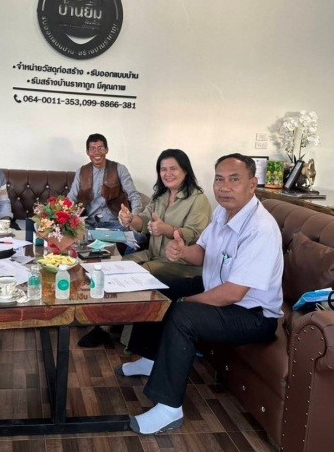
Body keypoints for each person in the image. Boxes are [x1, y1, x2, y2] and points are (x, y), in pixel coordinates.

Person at [119, 153, 284, 435]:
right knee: (158, 282)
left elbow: (233, 293)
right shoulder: (222, 213)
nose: (224, 187)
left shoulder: (260, 229)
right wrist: (182, 251)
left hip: (253, 315)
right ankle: (151, 358)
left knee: (183, 313)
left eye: (234, 179)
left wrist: (186, 301)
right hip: (219, 290)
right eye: (219, 179)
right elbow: (203, 253)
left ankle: (169, 408)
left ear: (252, 184)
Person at [67, 133, 145, 347]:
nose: (97, 152)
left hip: (115, 223)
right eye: (92, 148)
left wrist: (133, 217)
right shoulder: (82, 171)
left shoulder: (119, 169)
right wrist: (64, 216)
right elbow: (71, 198)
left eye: (101, 148)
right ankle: (82, 308)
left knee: (136, 240)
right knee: (71, 247)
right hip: (90, 224)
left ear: (107, 150)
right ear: (87, 152)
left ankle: (118, 308)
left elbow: (134, 195)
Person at [118, 148, 211, 280]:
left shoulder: (199, 199)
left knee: (138, 274)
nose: (168, 174)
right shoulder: (160, 196)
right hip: (152, 256)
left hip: (181, 263)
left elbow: (194, 234)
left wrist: (166, 229)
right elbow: (145, 220)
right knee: (119, 266)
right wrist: (130, 218)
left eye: (173, 169)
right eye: (163, 169)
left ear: (185, 171)